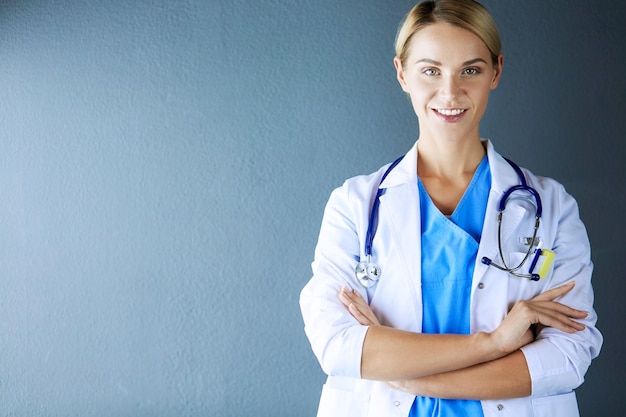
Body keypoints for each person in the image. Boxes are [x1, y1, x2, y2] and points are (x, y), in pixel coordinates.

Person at [299, 0, 603, 416]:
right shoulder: (354, 205)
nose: (450, 91)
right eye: (430, 70)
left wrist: (403, 373)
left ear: (496, 71)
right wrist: (494, 343)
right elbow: (337, 346)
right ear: (401, 73)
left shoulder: (552, 207)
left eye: (471, 70)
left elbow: (569, 355)